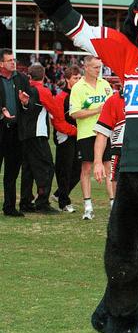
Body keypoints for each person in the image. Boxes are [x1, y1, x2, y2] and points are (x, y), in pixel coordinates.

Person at [69, 55, 113, 220]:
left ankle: (113, 204)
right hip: (87, 133)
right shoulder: (78, 88)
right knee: (87, 169)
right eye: (95, 67)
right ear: (86, 67)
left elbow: (111, 106)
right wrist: (96, 110)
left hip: (105, 132)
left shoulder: (105, 85)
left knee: (109, 168)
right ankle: (88, 206)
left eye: (100, 67)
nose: (98, 70)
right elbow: (74, 113)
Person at [19, 64, 59, 214]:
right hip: (38, 134)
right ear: (43, 76)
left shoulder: (25, 90)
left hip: (25, 135)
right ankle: (42, 202)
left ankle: (25, 202)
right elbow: (55, 111)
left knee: (28, 169)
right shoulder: (42, 91)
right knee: (47, 167)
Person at [0, 48, 31, 217]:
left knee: (12, 172)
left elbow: (32, 102)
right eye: (9, 60)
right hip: (1, 129)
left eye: (14, 59)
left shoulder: (22, 79)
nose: (13, 62)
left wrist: (25, 103)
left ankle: (10, 207)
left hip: (16, 132)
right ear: (1, 63)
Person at [52, 66, 82, 212]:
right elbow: (58, 122)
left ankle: (59, 194)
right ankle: (64, 202)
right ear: (67, 79)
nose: (78, 80)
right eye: (75, 78)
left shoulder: (80, 96)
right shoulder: (60, 97)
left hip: (78, 137)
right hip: (64, 137)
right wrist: (75, 131)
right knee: (65, 169)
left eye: (79, 77)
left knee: (78, 170)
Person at [93, 90, 125, 194]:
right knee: (120, 200)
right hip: (120, 154)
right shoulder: (114, 100)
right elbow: (102, 134)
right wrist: (98, 162)